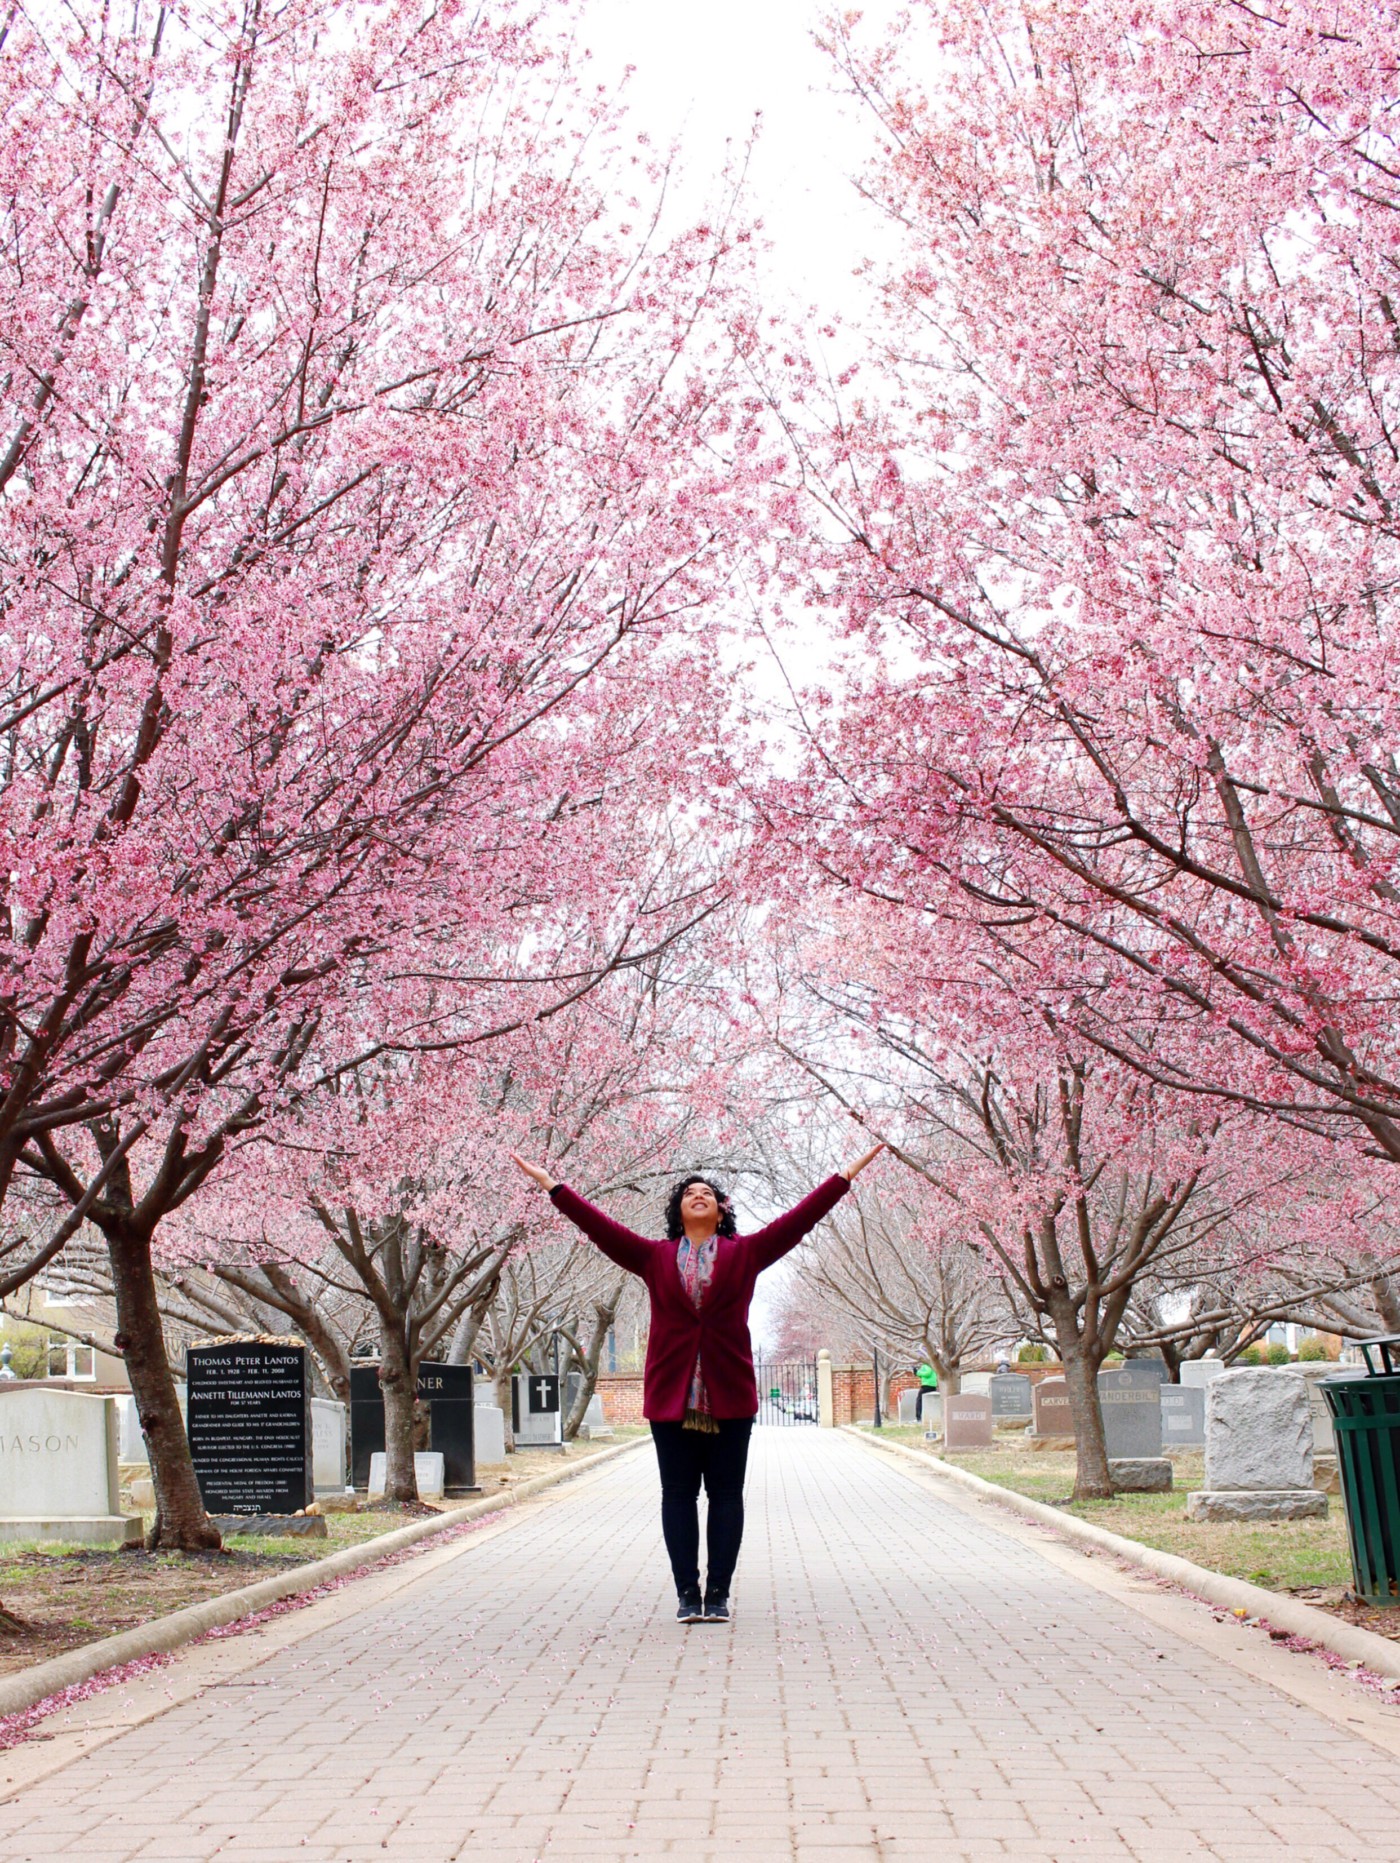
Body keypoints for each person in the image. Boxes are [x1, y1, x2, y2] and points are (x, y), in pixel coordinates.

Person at [509, 1144, 885, 1624]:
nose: (699, 1195)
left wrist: (844, 1176)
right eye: (690, 1192)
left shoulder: (746, 1253)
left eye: (708, 1192)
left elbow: (798, 1221)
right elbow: (598, 1228)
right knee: (678, 1495)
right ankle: (688, 1594)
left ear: (721, 1209)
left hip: (730, 1397)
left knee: (727, 1496)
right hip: (672, 1397)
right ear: (679, 1209)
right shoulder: (652, 1257)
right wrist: (552, 1186)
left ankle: (719, 1595)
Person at [914, 1359, 938, 1424]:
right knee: (928, 1401)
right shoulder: (932, 1363)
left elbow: (927, 1373)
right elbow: (923, 1375)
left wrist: (918, 1372)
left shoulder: (927, 1364)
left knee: (919, 1401)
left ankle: (919, 1418)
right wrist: (917, 1373)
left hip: (927, 1385)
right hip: (932, 1384)